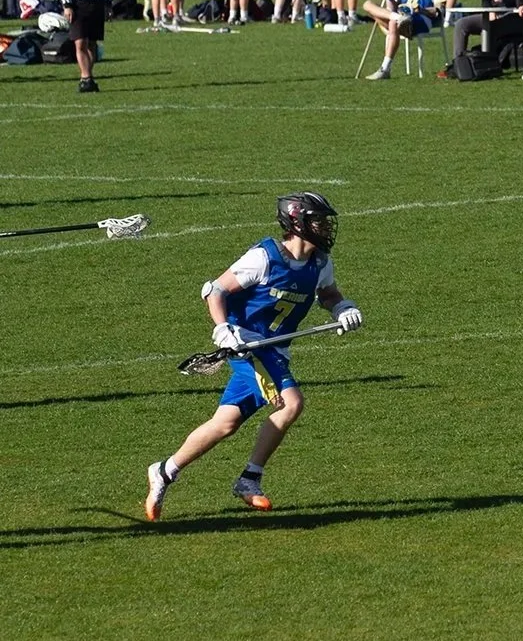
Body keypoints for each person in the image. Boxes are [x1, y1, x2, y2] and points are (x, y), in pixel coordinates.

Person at [143, 193, 361, 520]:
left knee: (225, 423)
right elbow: (214, 290)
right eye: (319, 220)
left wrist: (343, 309)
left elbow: (327, 293)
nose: (326, 226)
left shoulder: (319, 263)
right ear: (298, 223)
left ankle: (164, 470)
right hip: (247, 346)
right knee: (291, 403)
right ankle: (249, 478)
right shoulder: (264, 258)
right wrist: (223, 329)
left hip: (275, 352)